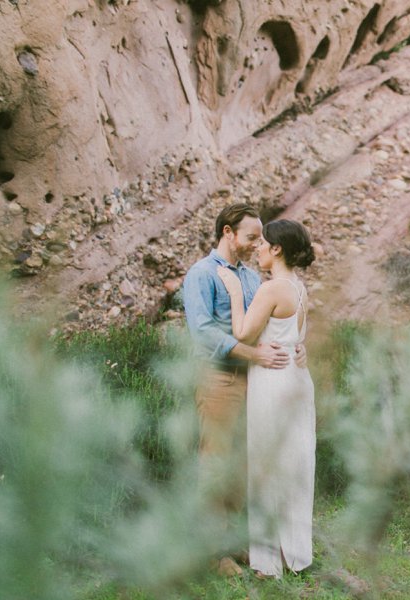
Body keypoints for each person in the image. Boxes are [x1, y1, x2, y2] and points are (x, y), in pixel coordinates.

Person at [182, 203, 306, 577]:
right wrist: (255, 354)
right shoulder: (201, 274)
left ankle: (234, 543)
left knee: (242, 463)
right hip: (219, 379)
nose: (256, 244)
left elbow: (262, 323)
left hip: (255, 381)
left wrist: (293, 345)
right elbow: (203, 332)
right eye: (251, 237)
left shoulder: (251, 279)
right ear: (227, 232)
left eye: (260, 239)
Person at [216, 219, 316, 578]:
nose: (257, 247)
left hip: (273, 379)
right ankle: (294, 552)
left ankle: (268, 561)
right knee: (295, 463)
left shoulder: (271, 289)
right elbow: (295, 335)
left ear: (277, 249)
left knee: (266, 462)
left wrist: (232, 292)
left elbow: (243, 332)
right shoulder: (299, 287)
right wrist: (299, 349)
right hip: (297, 377)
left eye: (263, 243)